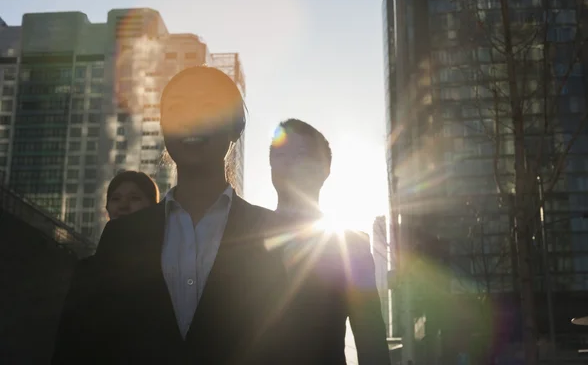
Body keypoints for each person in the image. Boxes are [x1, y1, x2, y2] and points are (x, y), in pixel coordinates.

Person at [52, 66, 287, 364]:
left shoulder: (273, 233)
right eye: (177, 109)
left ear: (235, 125)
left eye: (208, 108)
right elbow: (80, 346)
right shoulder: (121, 237)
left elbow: (296, 345)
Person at [269, 118, 391, 364]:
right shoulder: (240, 237)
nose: (288, 163)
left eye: (300, 154)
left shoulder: (351, 248)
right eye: (280, 154)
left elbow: (372, 344)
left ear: (323, 170)